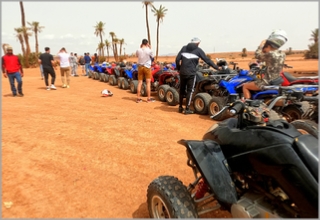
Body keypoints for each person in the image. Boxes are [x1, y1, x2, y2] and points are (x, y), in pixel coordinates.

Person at [175, 37, 220, 114]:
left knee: (182, 89)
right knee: (190, 90)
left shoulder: (184, 48)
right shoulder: (198, 50)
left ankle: (180, 107)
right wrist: (216, 67)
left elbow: (177, 59)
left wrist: (179, 68)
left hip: (182, 72)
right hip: (191, 73)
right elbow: (207, 60)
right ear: (198, 43)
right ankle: (187, 109)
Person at [242, 30, 287, 99]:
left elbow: (257, 55)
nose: (265, 51)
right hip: (277, 81)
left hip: (267, 82)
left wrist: (261, 45)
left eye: (265, 49)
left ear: (268, 46)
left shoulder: (270, 54)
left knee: (245, 86)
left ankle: (247, 105)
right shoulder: (282, 54)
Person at [136, 38, 155, 103]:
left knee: (140, 83)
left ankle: (138, 98)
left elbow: (137, 56)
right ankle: (148, 98)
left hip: (140, 67)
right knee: (148, 83)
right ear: (147, 43)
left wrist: (140, 47)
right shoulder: (149, 50)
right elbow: (153, 57)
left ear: (141, 44)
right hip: (147, 67)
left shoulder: (138, 50)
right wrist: (150, 48)